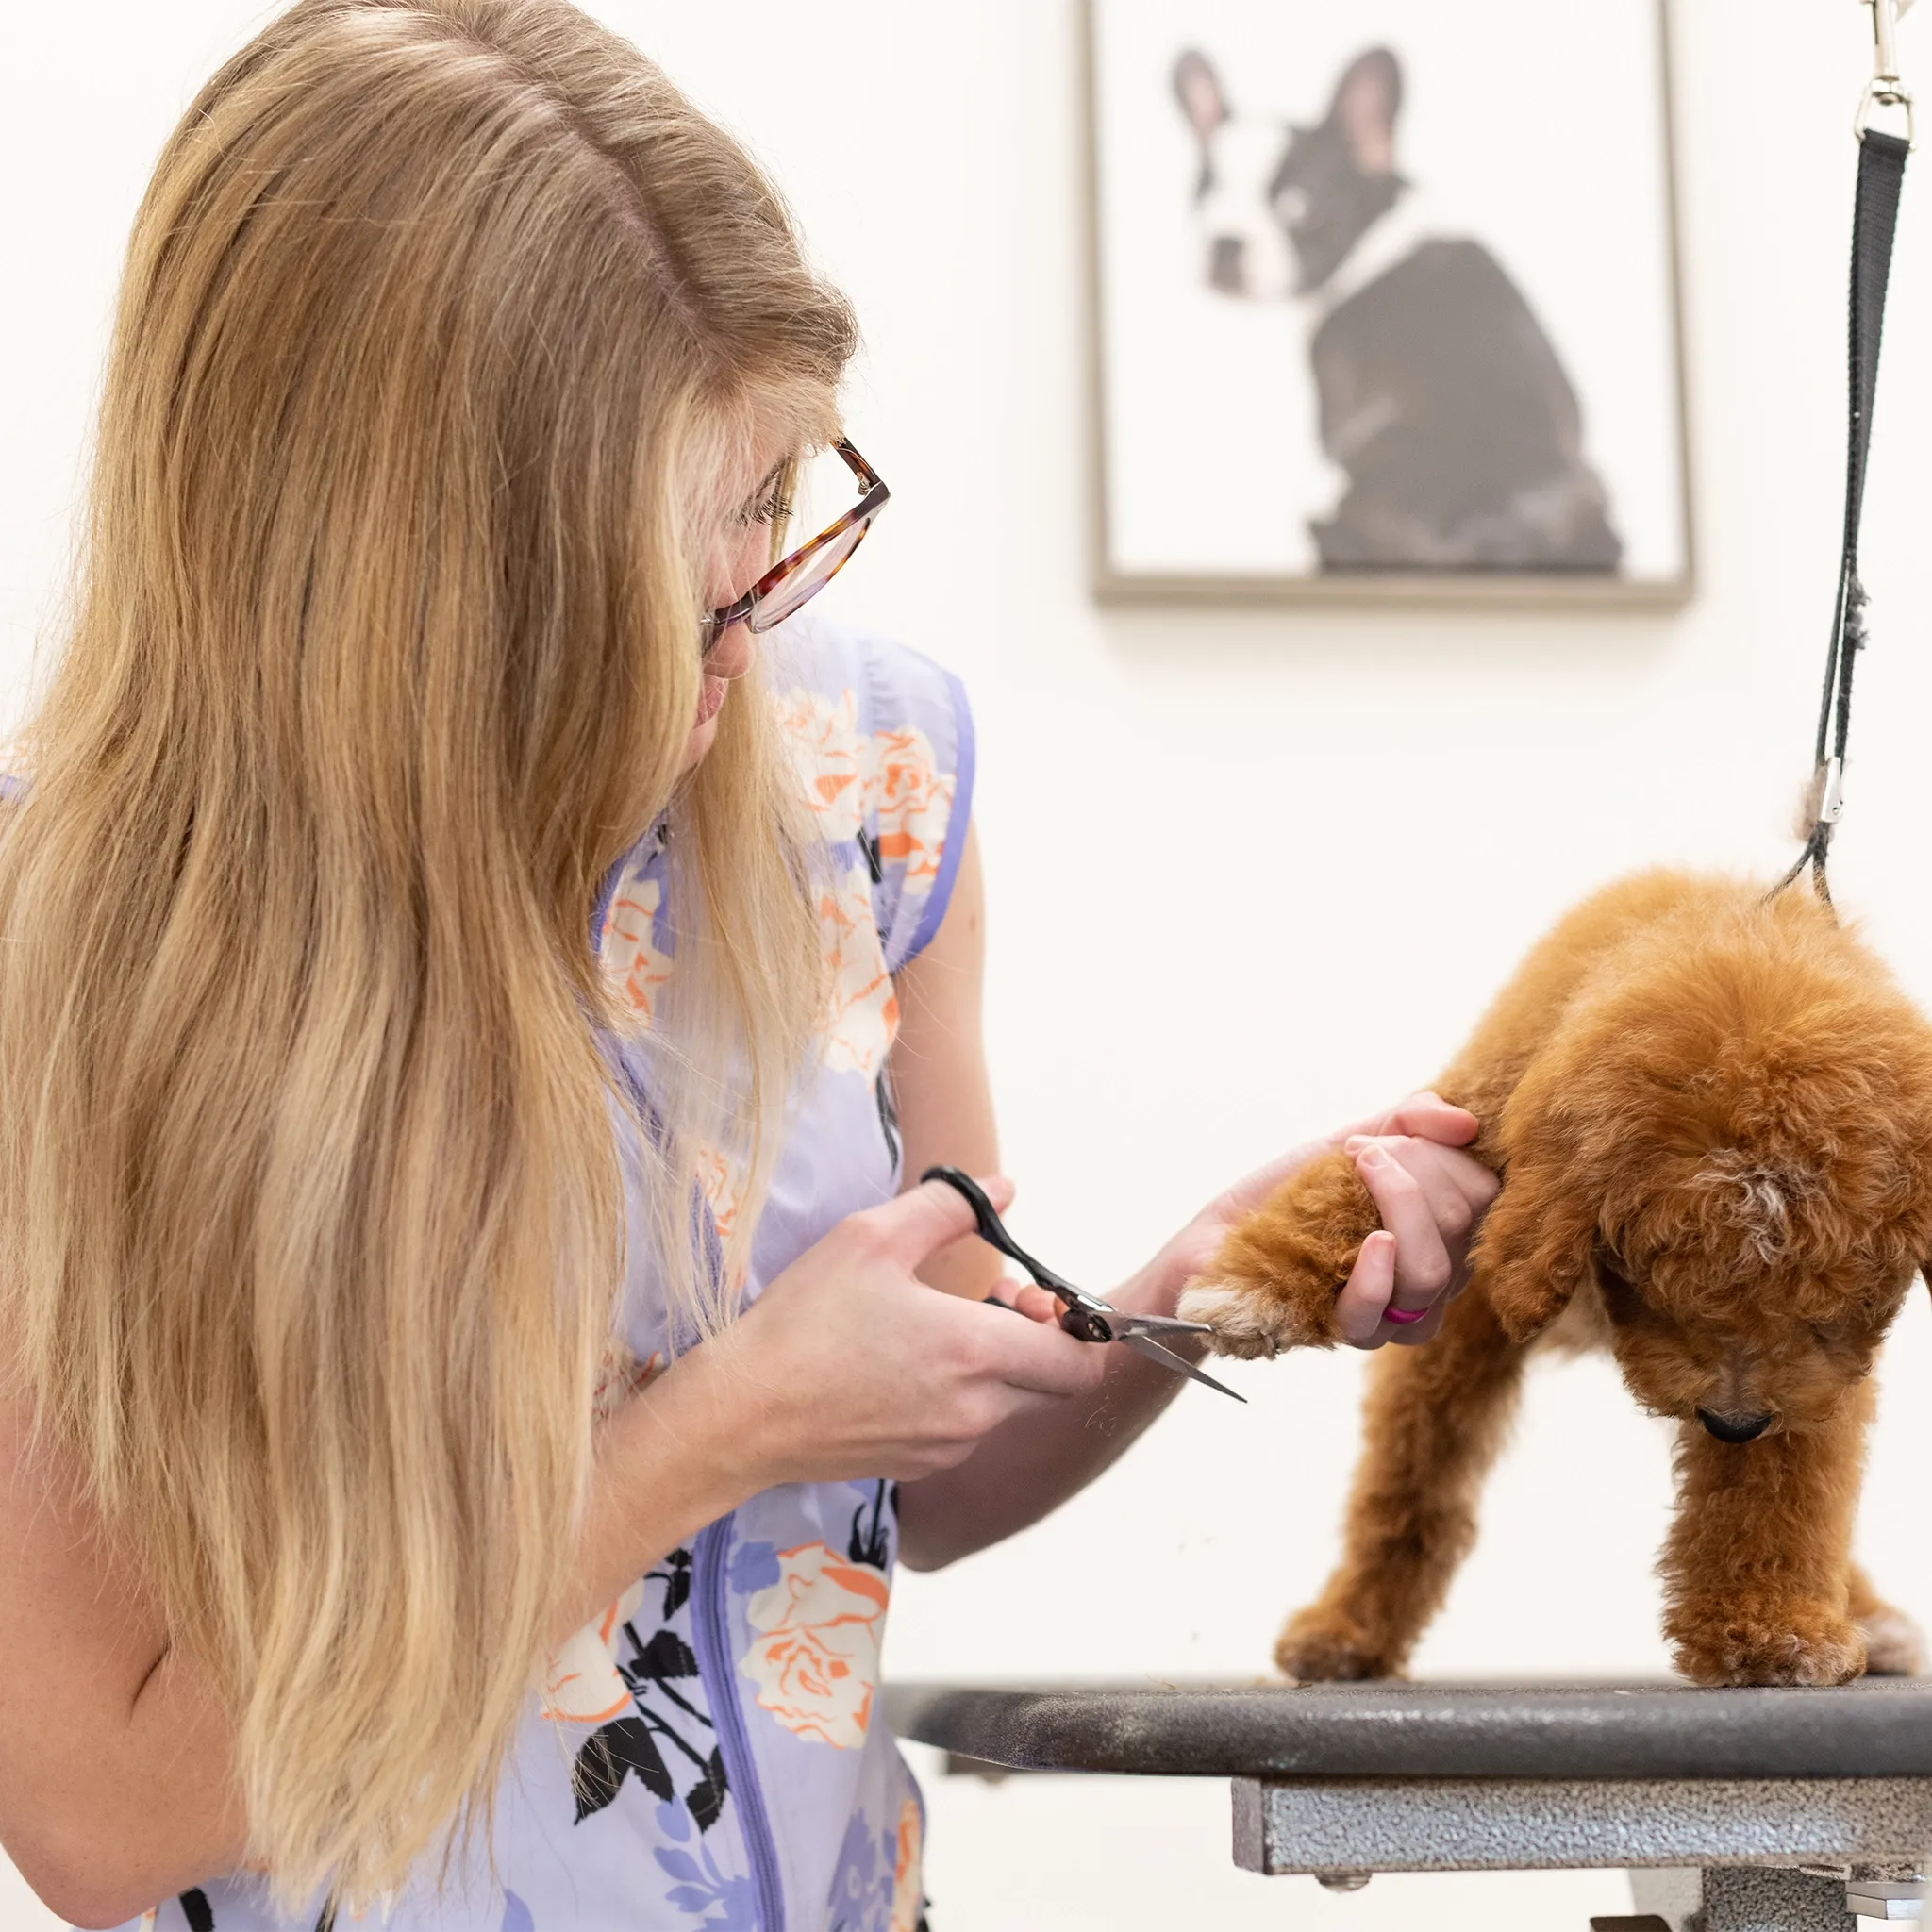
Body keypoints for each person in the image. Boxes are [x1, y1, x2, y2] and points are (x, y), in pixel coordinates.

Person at [0, 4, 1498, 1928]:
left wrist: (1186, 1289)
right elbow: (101, 1815)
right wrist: (705, 1432)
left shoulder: (874, 784)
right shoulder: (62, 939)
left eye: (778, 521)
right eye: (678, 599)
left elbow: (903, 1489)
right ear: (411, 595)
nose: (750, 660)